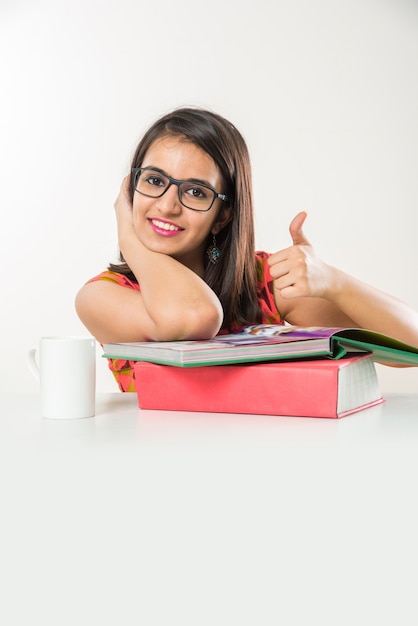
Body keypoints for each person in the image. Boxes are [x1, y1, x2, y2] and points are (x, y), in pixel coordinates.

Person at [75, 107, 418, 391]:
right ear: (130, 189)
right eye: (154, 181)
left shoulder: (261, 282)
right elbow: (193, 318)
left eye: (195, 192)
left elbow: (410, 347)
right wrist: (128, 233)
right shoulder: (102, 297)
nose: (166, 206)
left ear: (223, 215)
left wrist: (333, 282)